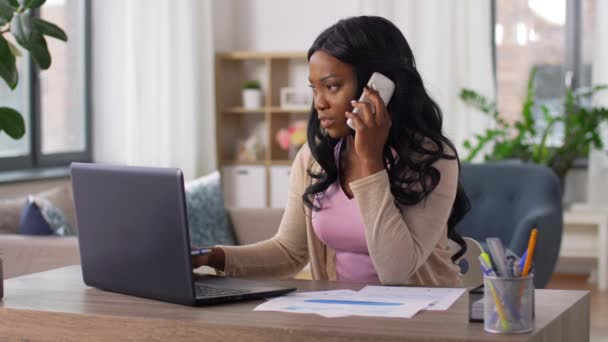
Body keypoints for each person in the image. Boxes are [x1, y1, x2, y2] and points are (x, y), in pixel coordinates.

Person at [193, 16, 470, 286]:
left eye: (332, 86)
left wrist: (370, 160)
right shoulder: (314, 158)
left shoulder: (431, 159)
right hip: (339, 317)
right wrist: (211, 257)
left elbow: (395, 270)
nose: (319, 103)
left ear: (379, 87)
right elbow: (289, 252)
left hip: (421, 322)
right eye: (315, 88)